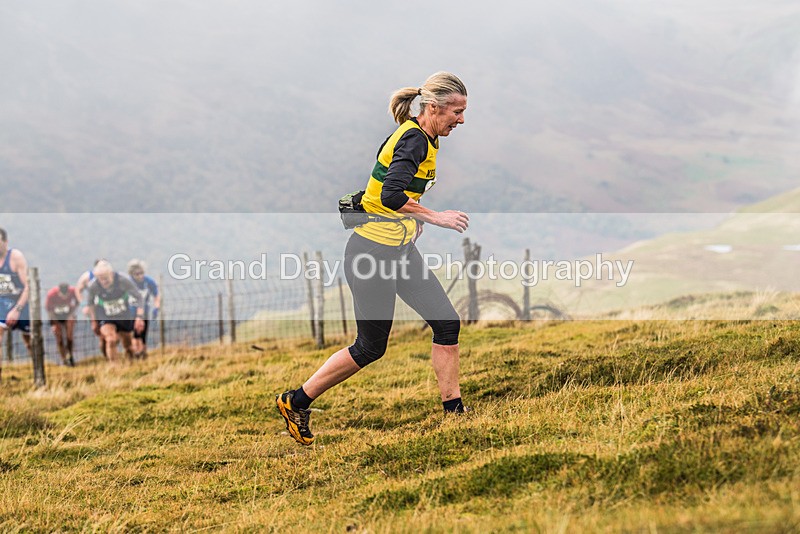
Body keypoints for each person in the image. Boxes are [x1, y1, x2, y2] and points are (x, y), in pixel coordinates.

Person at [276, 72, 470, 445]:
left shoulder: (425, 136)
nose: (461, 120)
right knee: (370, 347)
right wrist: (434, 216)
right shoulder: (414, 140)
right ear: (433, 107)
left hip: (398, 250)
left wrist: (411, 222)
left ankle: (455, 413)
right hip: (372, 255)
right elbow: (390, 195)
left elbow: (385, 193)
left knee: (447, 324)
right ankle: (295, 401)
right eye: (456, 112)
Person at [86, 260, 145, 362]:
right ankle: (114, 367)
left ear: (111, 274)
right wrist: (93, 321)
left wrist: (139, 317)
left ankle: (131, 364)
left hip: (123, 315)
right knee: (111, 339)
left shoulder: (123, 281)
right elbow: (90, 304)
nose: (104, 282)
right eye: (100, 279)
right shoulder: (94, 286)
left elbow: (139, 297)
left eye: (106, 278)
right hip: (105, 315)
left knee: (128, 346)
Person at [0, 228, 32, 381]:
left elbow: (28, 286)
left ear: (5, 242)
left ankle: (37, 370)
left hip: (21, 302)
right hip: (1, 303)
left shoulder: (15, 257)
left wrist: (17, 309)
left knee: (30, 340)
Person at [126, 259, 160, 359]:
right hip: (130, 313)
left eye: (141, 273)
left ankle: (143, 354)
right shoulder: (128, 283)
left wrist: (156, 308)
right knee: (134, 334)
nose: (140, 276)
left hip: (145, 312)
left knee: (143, 334)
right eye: (136, 274)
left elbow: (156, 295)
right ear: (132, 274)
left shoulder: (149, 282)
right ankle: (135, 353)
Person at [75, 259, 107, 358]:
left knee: (109, 332)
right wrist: (84, 304)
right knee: (101, 333)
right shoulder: (88, 277)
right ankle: (106, 355)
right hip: (94, 309)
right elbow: (78, 289)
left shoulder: (110, 276)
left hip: (107, 307)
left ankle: (110, 354)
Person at [45, 282, 79, 366]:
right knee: (59, 338)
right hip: (55, 316)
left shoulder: (73, 291)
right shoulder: (51, 294)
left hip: (68, 315)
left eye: (66, 295)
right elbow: (48, 309)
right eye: (62, 296)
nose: (64, 297)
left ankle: (70, 356)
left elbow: (77, 301)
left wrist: (72, 312)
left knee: (69, 337)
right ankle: (64, 359)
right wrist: (55, 322)